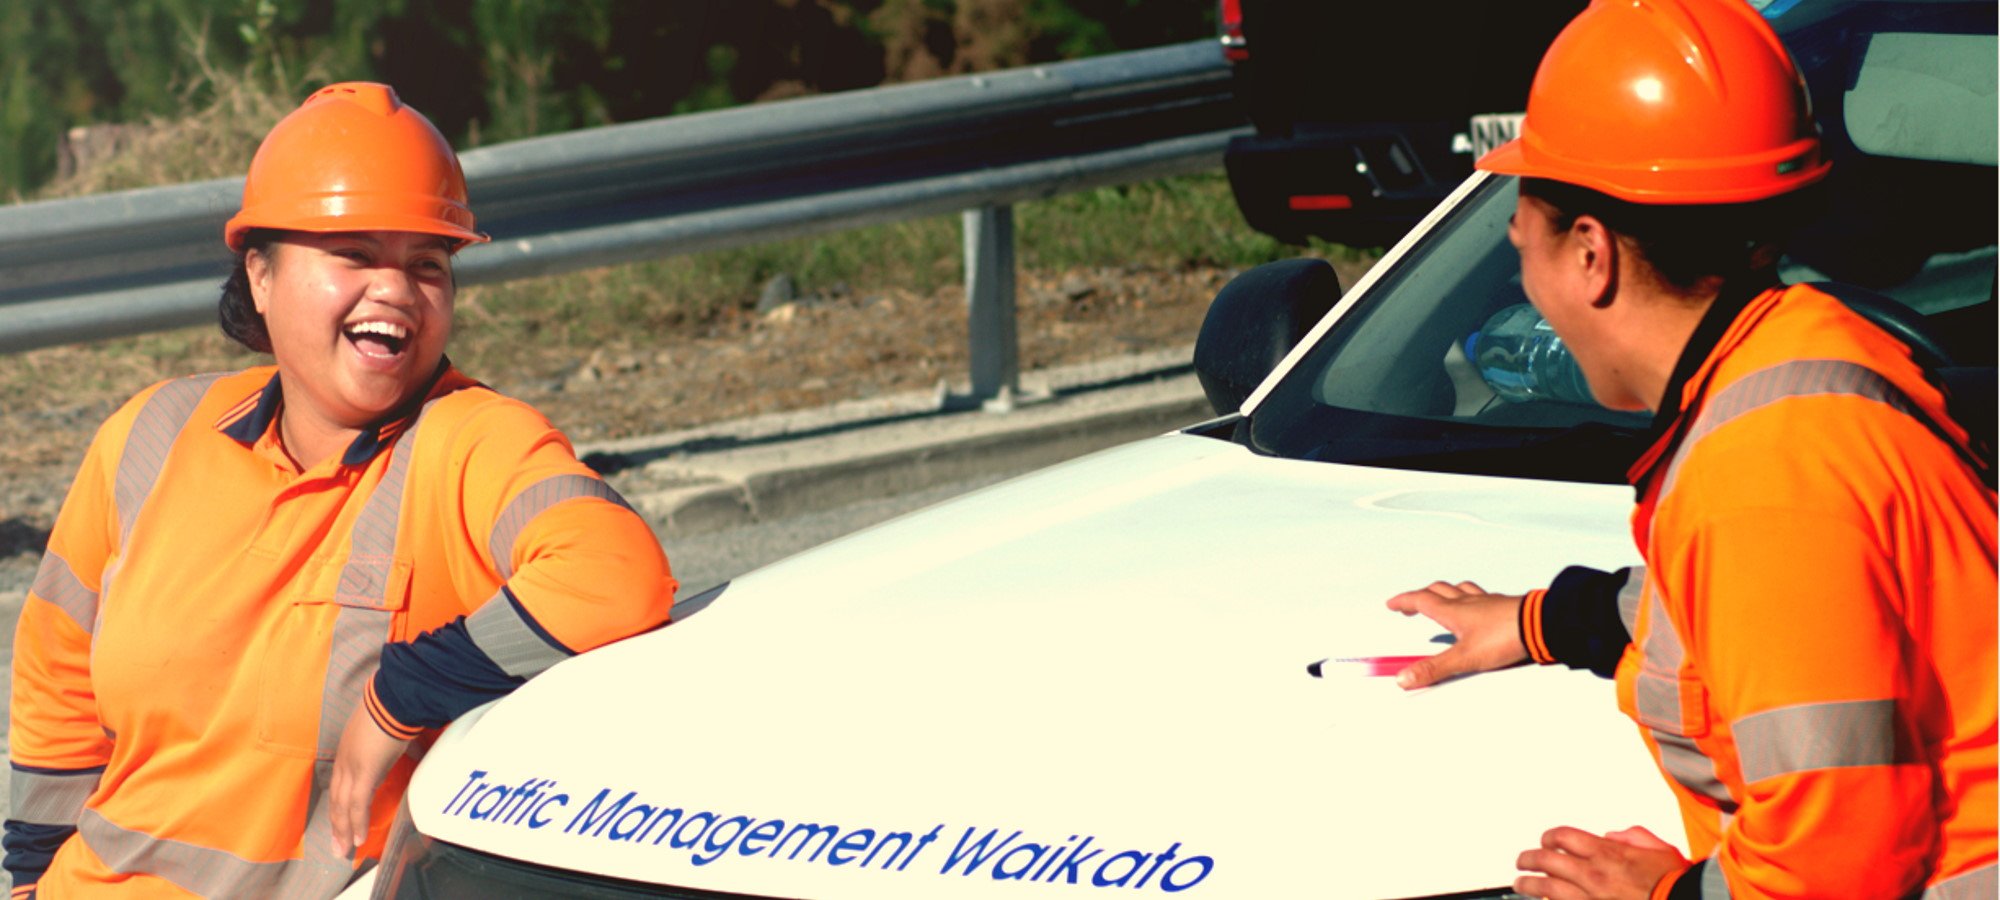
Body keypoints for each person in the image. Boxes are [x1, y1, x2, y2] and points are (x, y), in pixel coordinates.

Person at [1382, 2, 1996, 898]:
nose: (1523, 280)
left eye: (1522, 246)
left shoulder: (1764, 476)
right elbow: (1772, 607)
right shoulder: (1801, 357)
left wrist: (1661, 896)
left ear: (1589, 255)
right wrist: (1545, 622)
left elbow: (1836, 864)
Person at [4, 82, 677, 898]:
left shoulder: (472, 441)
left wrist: (402, 693)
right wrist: (31, 878)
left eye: (427, 265)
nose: (395, 290)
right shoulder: (153, 432)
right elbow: (57, 678)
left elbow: (615, 571)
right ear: (261, 276)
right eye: (355, 254)